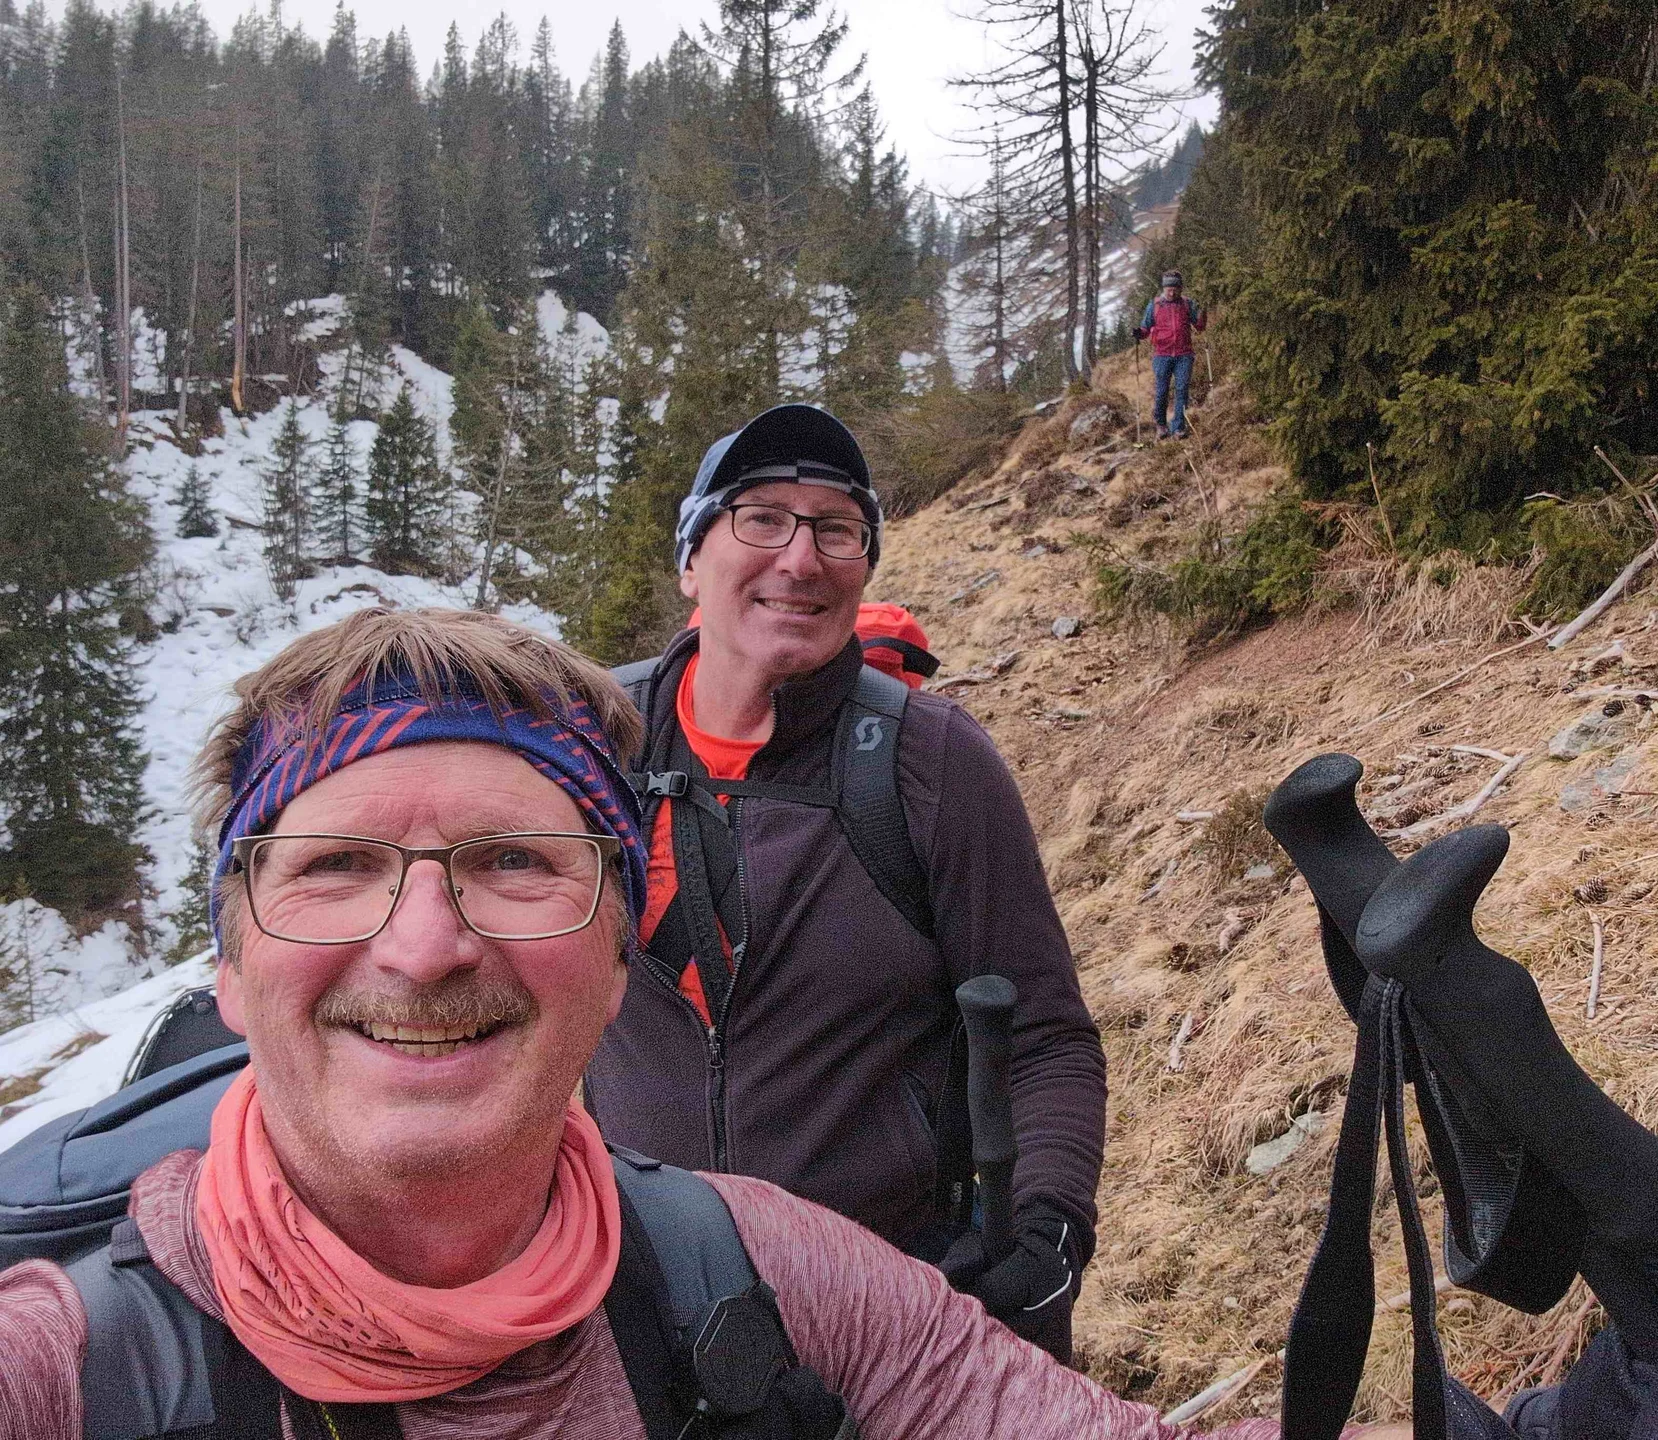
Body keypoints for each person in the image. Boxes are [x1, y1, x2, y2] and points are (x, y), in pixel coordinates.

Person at [0, 606, 1278, 1440]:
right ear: (227, 969)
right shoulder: (66, 1371)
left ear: (619, 961)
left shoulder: (766, 1276)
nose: (428, 945)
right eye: (334, 867)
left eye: (515, 862)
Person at [588, 403, 1106, 1363]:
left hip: (885, 1308)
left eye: (836, 528)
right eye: (763, 518)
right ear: (690, 559)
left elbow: (1045, 1037)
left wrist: (1047, 1234)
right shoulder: (594, 742)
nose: (801, 556)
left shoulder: (929, 760)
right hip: (638, 1301)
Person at [1133, 272, 1208, 440]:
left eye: (1175, 289)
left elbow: (1200, 326)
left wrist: (1204, 312)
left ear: (1180, 289)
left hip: (1184, 354)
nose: (1172, 293)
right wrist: (1139, 333)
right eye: (1169, 289)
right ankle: (1161, 424)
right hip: (1162, 355)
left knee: (1182, 390)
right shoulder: (1155, 305)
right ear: (1164, 288)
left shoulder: (1187, 304)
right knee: (1162, 391)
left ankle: (1178, 427)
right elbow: (1145, 328)